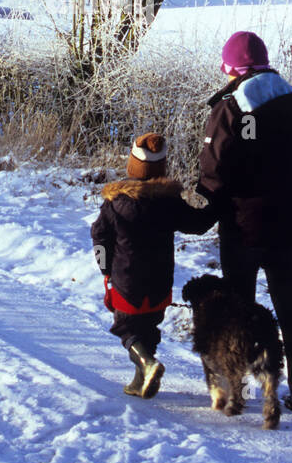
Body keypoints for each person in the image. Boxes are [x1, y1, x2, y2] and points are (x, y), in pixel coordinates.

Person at [196, 30, 292, 413]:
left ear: (232, 67)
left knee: (238, 305)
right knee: (291, 305)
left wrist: (202, 209)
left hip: (244, 225)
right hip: (289, 220)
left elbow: (214, 169)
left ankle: (232, 383)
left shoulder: (230, 108)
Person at [91, 131, 215, 398]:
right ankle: (141, 381)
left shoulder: (116, 201)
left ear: (133, 165)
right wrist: (217, 203)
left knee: (125, 327)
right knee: (149, 327)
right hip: (160, 281)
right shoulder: (169, 201)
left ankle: (147, 364)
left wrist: (104, 267)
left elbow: (99, 235)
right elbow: (198, 224)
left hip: (127, 279)